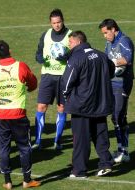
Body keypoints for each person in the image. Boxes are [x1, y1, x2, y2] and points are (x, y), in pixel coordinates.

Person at [0, 40, 40, 189]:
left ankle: (7, 181)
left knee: (4, 148)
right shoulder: (20, 66)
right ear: (11, 51)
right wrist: (29, 88)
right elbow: (33, 82)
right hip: (19, 116)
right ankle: (27, 180)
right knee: (24, 148)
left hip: (1, 117)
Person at [61, 31, 115, 177]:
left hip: (81, 106)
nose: (68, 45)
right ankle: (106, 163)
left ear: (78, 42)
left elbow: (66, 82)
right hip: (100, 104)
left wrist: (65, 98)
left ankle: (79, 170)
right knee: (101, 135)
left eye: (70, 42)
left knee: (81, 139)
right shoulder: (101, 55)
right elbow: (112, 71)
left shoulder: (76, 58)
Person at [33, 8, 72, 150]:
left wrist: (66, 56)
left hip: (63, 77)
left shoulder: (70, 35)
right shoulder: (46, 35)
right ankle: (37, 141)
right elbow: (37, 54)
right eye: (54, 23)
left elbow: (76, 54)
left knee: (61, 108)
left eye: (59, 22)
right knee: (41, 107)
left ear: (63, 21)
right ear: (50, 23)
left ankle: (58, 141)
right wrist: (41, 60)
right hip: (47, 77)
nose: (57, 25)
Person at [99, 19, 134, 163]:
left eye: (106, 32)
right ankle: (121, 149)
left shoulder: (124, 41)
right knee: (115, 117)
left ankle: (124, 152)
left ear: (113, 29)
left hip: (122, 83)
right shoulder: (109, 42)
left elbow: (127, 59)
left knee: (119, 115)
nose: (105, 36)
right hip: (111, 83)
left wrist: (112, 63)